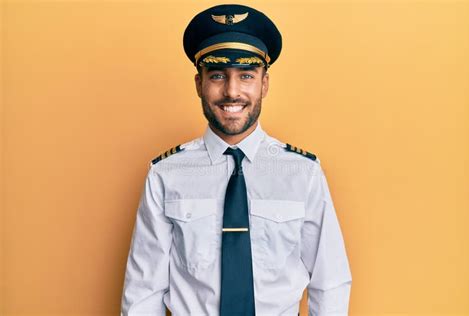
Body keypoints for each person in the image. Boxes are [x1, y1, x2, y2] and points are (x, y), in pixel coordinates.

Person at [121, 4, 352, 316]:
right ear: (199, 84)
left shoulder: (303, 173)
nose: (232, 91)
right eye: (217, 75)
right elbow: (144, 290)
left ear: (264, 84)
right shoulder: (166, 174)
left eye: (246, 75)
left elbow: (330, 281)